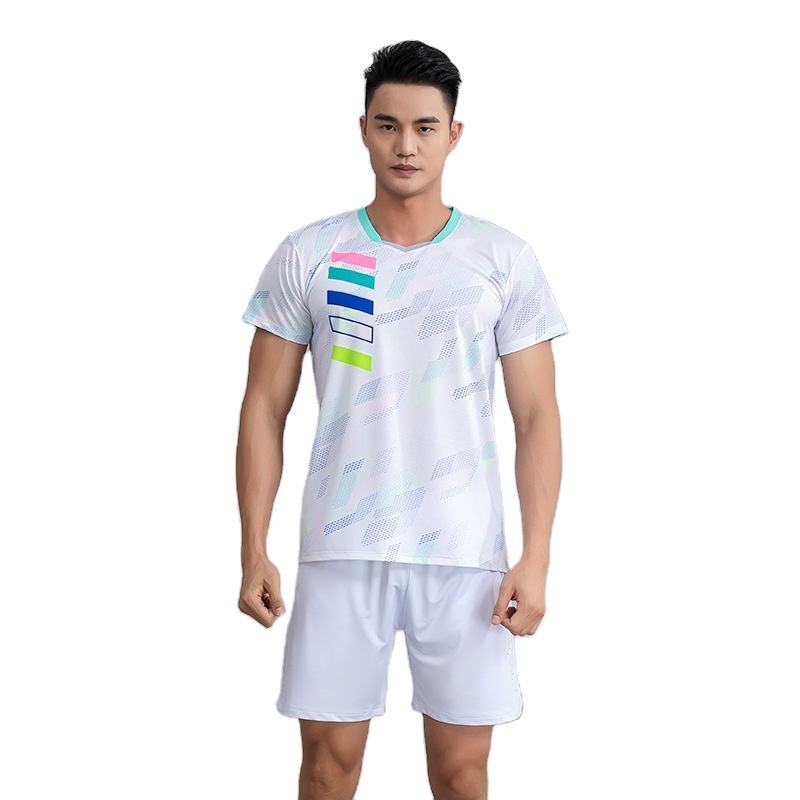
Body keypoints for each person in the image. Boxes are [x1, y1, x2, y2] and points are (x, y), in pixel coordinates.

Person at [236, 39, 568, 800]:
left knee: (461, 773)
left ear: (454, 135)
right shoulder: (311, 254)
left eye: (424, 127)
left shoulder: (502, 259)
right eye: (388, 126)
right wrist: (253, 547)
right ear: (363, 130)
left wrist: (537, 557)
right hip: (340, 545)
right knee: (328, 768)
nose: (406, 145)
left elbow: (538, 416)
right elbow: (263, 405)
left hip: (465, 553)